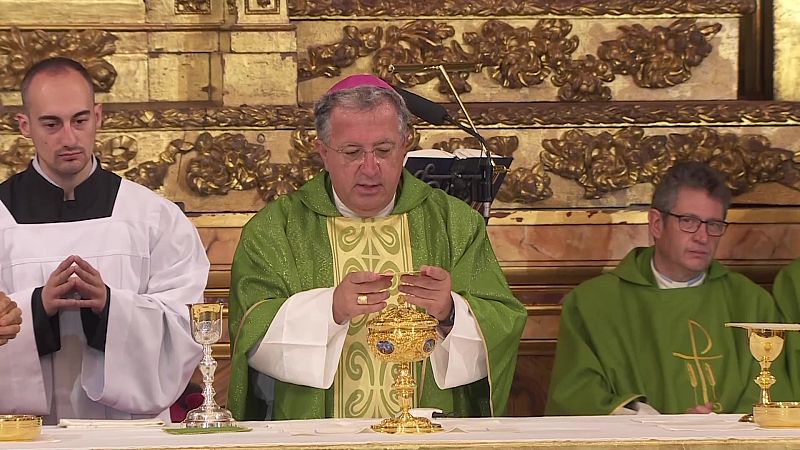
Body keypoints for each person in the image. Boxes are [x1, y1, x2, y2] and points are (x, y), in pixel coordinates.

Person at [228, 74, 526, 420]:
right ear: (322, 152)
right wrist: (330, 309)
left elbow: (503, 322)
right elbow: (250, 330)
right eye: (352, 152)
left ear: (405, 146)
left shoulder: (454, 223)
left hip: (428, 439)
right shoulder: (274, 230)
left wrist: (451, 312)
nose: (370, 168)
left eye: (384, 150)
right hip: (319, 438)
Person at [0, 57, 209, 423]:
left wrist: (111, 307)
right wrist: (37, 309)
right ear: (24, 126)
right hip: (24, 435)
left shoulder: (153, 218)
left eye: (79, 120)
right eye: (51, 123)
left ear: (98, 117)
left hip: (128, 432)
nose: (68, 138)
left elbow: (184, 326)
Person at [546, 161, 790, 415]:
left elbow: (773, 393)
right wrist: (650, 421)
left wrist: (721, 429)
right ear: (656, 224)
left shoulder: (751, 302)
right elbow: (577, 394)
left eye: (714, 225)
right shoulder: (594, 303)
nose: (702, 237)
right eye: (689, 221)